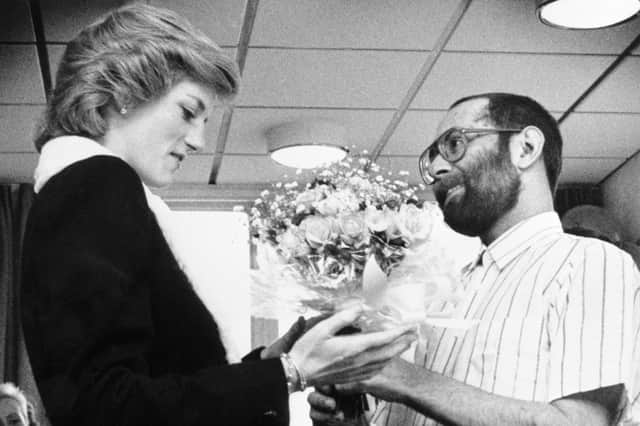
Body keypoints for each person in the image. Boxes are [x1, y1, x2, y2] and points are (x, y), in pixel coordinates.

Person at [19, 4, 417, 426]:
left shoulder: (91, 190)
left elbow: (164, 379)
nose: (199, 140)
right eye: (188, 112)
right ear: (121, 92)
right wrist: (291, 372)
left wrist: (270, 358)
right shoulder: (97, 184)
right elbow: (101, 406)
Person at [308, 93, 640, 425]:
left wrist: (400, 378)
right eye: (431, 159)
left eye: (454, 145)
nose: (437, 169)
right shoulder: (444, 298)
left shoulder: (592, 264)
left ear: (525, 148)